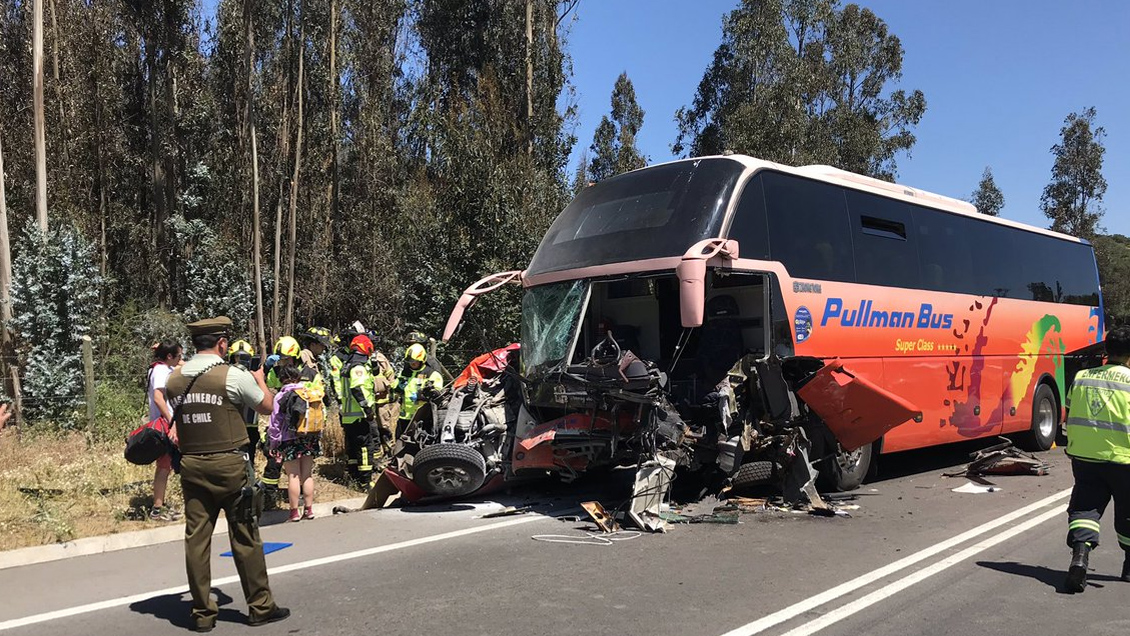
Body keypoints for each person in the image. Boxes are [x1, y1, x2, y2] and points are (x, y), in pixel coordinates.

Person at [164, 316, 289, 631]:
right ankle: (260, 607)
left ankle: (203, 614)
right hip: (230, 464)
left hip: (192, 466)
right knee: (245, 535)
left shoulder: (175, 379)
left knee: (196, 539)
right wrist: (260, 379)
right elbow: (267, 406)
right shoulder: (232, 375)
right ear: (222, 343)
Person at [1063, 326, 1130, 593]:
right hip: (1124, 459)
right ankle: (1128, 565)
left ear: (1106, 349)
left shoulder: (1081, 377)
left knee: (1084, 509)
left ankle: (1080, 556)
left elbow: (1069, 410)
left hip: (1085, 458)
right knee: (1128, 515)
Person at [267, 364, 324, 522]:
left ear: (282, 379)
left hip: (288, 438)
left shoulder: (281, 396)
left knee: (293, 476)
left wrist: (273, 443)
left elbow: (275, 423)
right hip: (308, 437)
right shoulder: (307, 393)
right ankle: (309, 510)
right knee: (307, 474)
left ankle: (294, 513)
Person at [146, 339, 184, 522]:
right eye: (178, 356)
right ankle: (157, 508)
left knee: (167, 465)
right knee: (164, 466)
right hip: (165, 425)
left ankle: (159, 505)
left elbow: (183, 365)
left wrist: (161, 351)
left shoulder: (162, 367)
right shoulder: (161, 371)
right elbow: (159, 398)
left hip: (166, 423)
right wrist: (172, 422)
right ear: (169, 356)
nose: (181, 359)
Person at [340, 334, 378, 487]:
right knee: (365, 448)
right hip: (359, 416)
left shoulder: (347, 364)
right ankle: (365, 482)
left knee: (352, 448)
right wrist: (367, 409)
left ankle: (354, 478)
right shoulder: (358, 367)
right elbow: (356, 389)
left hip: (348, 416)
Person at [393, 343, 444, 440]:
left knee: (420, 442)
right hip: (404, 417)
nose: (412, 364)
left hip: (422, 417)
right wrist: (397, 387)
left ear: (422, 360)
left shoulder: (432, 374)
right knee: (401, 441)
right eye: (410, 362)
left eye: (415, 362)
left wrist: (422, 395)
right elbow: (395, 388)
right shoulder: (405, 372)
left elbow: (438, 394)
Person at [227, 339, 262, 462]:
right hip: (233, 425)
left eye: (244, 357)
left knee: (249, 458)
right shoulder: (227, 374)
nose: (240, 360)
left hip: (251, 425)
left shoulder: (255, 374)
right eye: (237, 357)